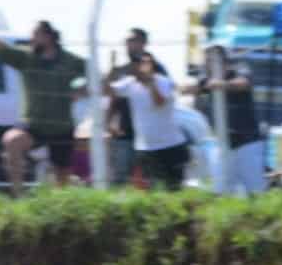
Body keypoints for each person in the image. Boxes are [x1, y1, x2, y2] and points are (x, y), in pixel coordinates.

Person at [0, 21, 86, 194]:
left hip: (62, 126)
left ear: (48, 37)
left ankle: (61, 204)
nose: (31, 38)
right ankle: (18, 193)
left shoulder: (70, 61)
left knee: (62, 175)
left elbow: (94, 75)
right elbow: (3, 50)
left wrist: (81, 90)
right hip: (33, 124)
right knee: (12, 140)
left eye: (35, 34)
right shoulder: (27, 58)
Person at [190, 45, 265, 194]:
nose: (206, 65)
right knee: (220, 190)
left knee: (255, 190)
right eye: (206, 61)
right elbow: (191, 88)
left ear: (222, 61)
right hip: (223, 143)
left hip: (247, 142)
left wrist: (223, 84)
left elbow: (244, 83)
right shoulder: (207, 79)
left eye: (209, 60)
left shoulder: (239, 71)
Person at [107, 54, 186, 191]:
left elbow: (159, 102)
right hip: (145, 149)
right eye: (138, 64)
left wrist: (150, 82)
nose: (140, 67)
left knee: (174, 190)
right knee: (152, 192)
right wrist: (112, 71)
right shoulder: (130, 83)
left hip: (171, 146)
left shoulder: (163, 81)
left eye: (145, 63)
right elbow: (106, 90)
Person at [106, 28, 166, 184]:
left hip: (151, 134)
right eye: (127, 41)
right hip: (124, 132)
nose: (129, 45)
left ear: (143, 43)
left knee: (152, 179)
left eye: (133, 41)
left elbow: (164, 100)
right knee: (120, 178)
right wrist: (109, 122)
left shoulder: (157, 70)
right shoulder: (121, 70)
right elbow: (113, 97)